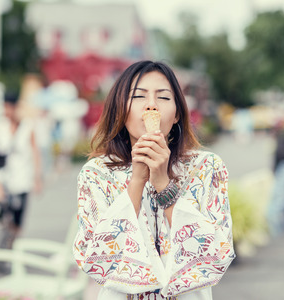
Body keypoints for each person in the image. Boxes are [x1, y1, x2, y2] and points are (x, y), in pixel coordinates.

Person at [73, 61, 235, 300]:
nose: (151, 106)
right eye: (138, 96)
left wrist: (163, 184)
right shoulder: (97, 173)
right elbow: (94, 258)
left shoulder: (207, 168)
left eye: (163, 98)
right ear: (120, 108)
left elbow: (216, 257)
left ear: (178, 112)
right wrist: (137, 180)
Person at [0, 94, 43, 249]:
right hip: (3, 180)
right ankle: (4, 243)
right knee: (3, 215)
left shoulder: (27, 126)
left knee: (18, 217)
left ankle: (12, 244)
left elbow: (35, 153)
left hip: (22, 179)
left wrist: (37, 178)